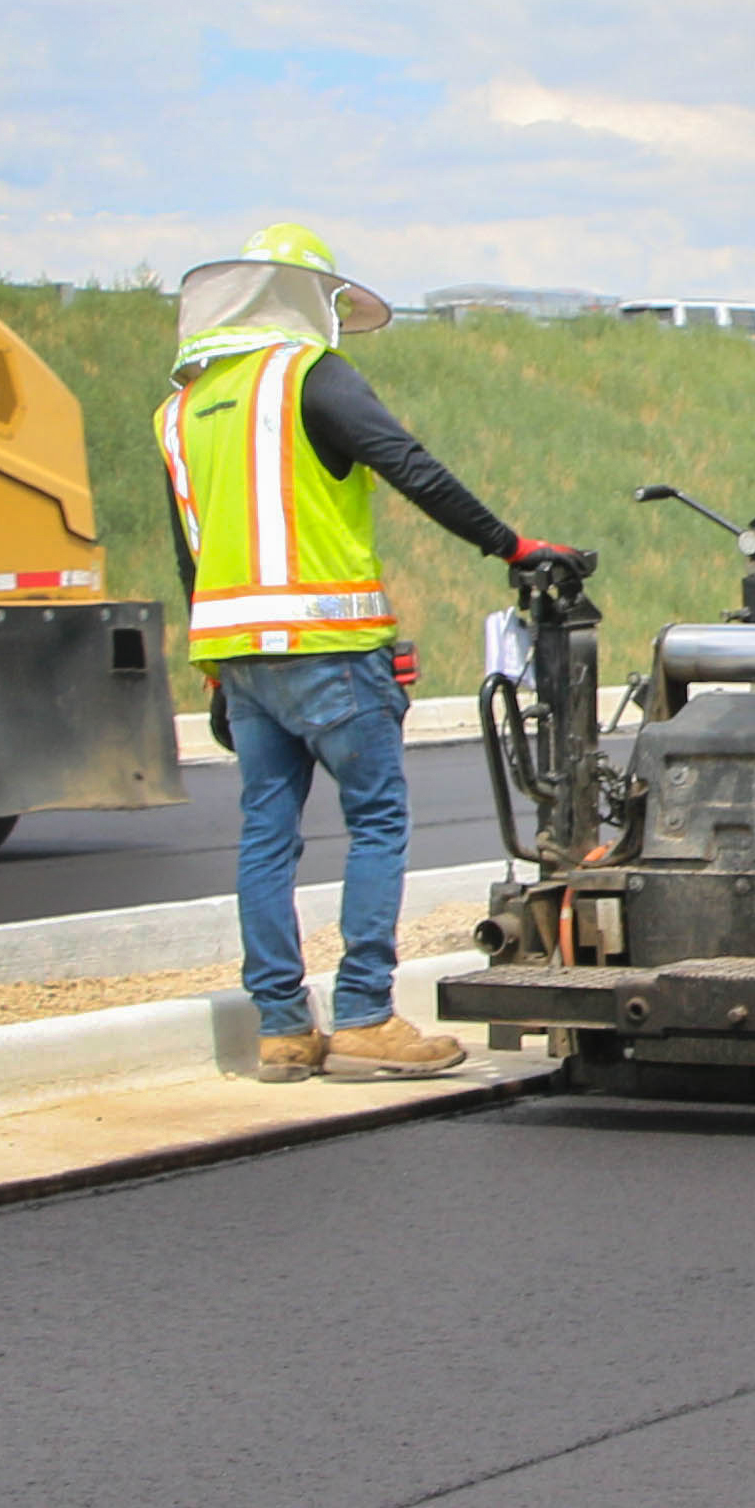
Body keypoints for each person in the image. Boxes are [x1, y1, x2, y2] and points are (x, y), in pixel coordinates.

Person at [157, 223, 586, 1082]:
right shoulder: (307, 376)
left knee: (265, 838)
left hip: (238, 656)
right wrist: (513, 546)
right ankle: (363, 1015)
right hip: (330, 648)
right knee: (379, 822)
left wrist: (211, 672)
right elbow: (409, 466)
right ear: (305, 298)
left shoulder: (181, 410)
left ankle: (282, 1028)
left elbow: (191, 550)